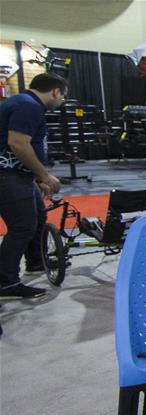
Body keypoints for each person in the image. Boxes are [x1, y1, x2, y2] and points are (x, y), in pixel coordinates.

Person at [0, 72, 67, 299]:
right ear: (55, 91)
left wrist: (37, 178)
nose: (62, 101)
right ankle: (6, 281)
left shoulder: (22, 102)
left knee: (37, 218)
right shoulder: (28, 106)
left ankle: (36, 262)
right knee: (22, 227)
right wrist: (45, 176)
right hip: (8, 176)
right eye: (62, 96)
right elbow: (18, 143)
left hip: (19, 175)